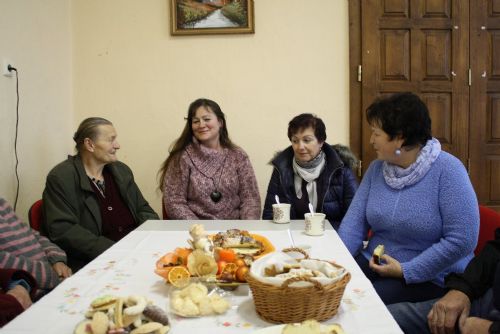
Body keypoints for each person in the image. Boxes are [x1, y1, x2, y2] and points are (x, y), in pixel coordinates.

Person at [338, 92, 479, 305]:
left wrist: (406, 270)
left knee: (361, 304)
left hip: (431, 275)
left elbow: (462, 240)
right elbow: (353, 224)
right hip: (375, 262)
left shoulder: (448, 170)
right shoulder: (377, 169)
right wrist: (336, 263)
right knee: (330, 291)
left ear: (400, 137)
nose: (371, 140)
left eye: (376, 133)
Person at [42, 117, 159, 272]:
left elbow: (143, 209)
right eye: (111, 140)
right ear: (90, 144)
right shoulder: (61, 178)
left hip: (136, 252)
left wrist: (145, 239)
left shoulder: (121, 171)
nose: (117, 145)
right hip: (95, 262)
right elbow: (63, 229)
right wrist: (117, 250)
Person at [159, 98, 261, 220]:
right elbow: (174, 201)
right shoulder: (181, 157)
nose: (201, 125)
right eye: (195, 121)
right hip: (195, 233)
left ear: (220, 122)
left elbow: (251, 199)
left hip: (234, 232)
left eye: (206, 119)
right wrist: (199, 231)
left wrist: (247, 228)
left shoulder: (238, 156)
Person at [388, 228, 500, 334]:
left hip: (435, 277)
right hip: (485, 296)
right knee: (383, 318)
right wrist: (463, 289)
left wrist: (492, 329)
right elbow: (496, 248)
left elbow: (461, 240)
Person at [261, 113, 358, 229]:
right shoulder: (281, 168)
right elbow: (269, 215)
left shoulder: (340, 169)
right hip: (291, 238)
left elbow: (355, 218)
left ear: (321, 141)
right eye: (295, 141)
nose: (300, 146)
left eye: (307, 140)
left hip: (331, 237)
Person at [0, 196, 70, 298]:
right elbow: (4, 263)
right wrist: (53, 274)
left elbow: (35, 236)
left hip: (55, 280)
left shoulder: (2, 203)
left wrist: (57, 260)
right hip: (35, 294)